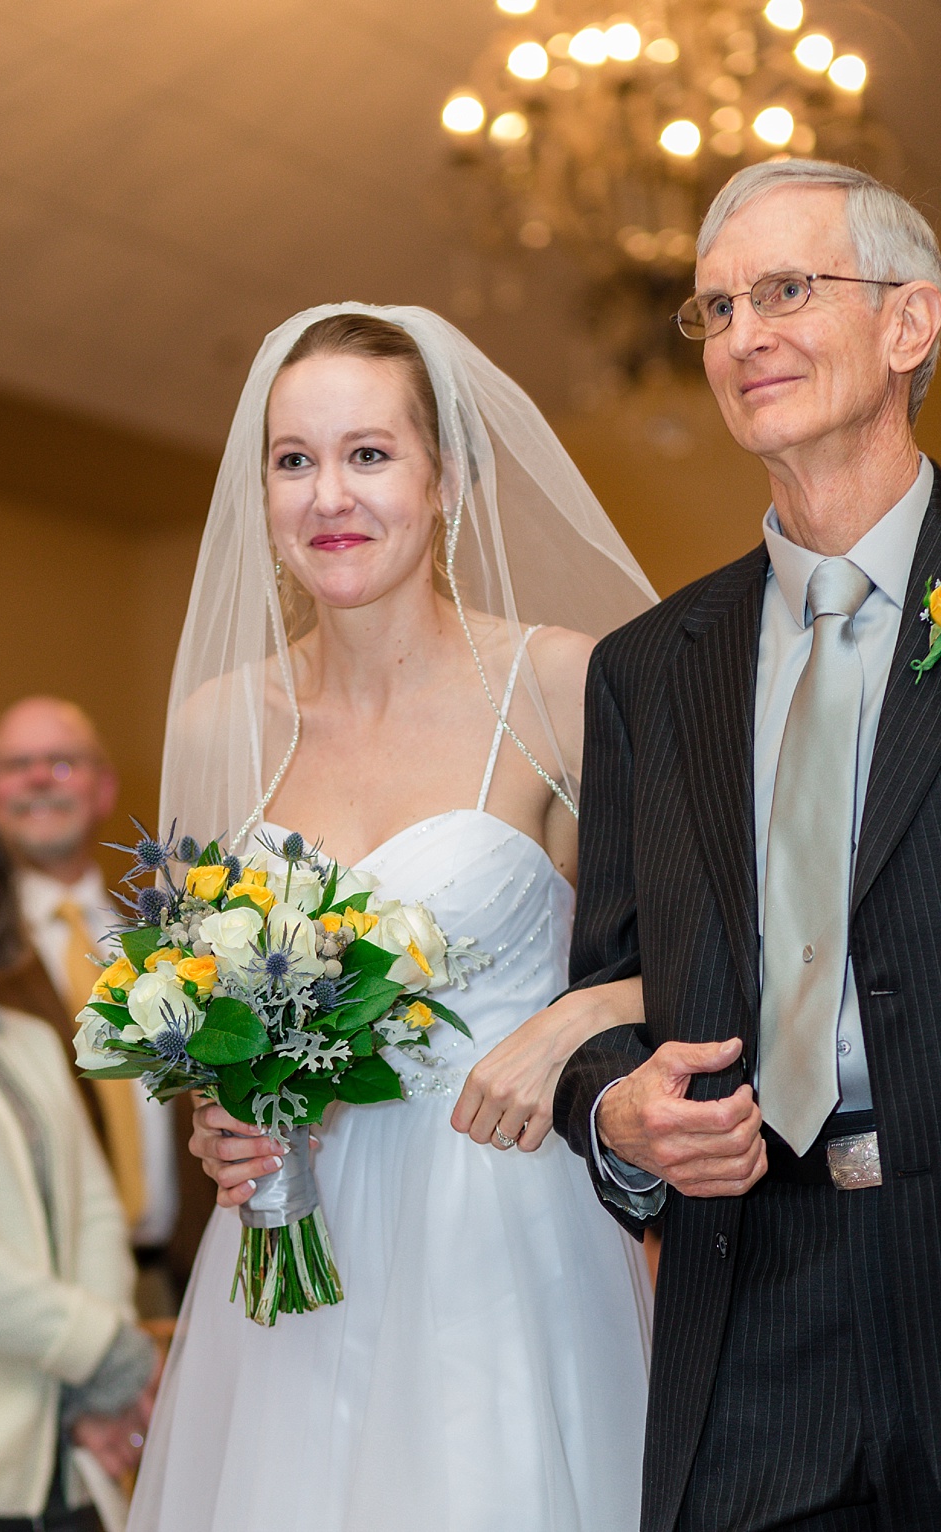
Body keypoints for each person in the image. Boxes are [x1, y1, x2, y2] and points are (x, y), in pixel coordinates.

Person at [129, 305, 658, 1530]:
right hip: (288, 1244)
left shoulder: (559, 684)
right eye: (293, 458)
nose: (329, 496)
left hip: (503, 1231)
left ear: (446, 476)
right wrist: (216, 1108)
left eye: (368, 453)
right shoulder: (220, 718)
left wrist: (570, 1016)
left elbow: (708, 951)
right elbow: (201, 993)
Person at [555, 159, 941, 1529]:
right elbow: (600, 989)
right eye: (715, 310)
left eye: (786, 290)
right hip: (752, 1300)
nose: (743, 335)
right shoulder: (650, 670)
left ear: (911, 325)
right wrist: (612, 1110)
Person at [0, 773, 156, 1532]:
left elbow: (93, 1211)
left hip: (71, 1455)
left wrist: (103, 1383)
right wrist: (100, 1346)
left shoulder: (34, 1044)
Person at [0, 699, 212, 1308]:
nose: (37, 779)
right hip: (37, 1294)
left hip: (183, 1282)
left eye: (61, 764)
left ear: (103, 789)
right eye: (16, 765)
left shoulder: (176, 939)